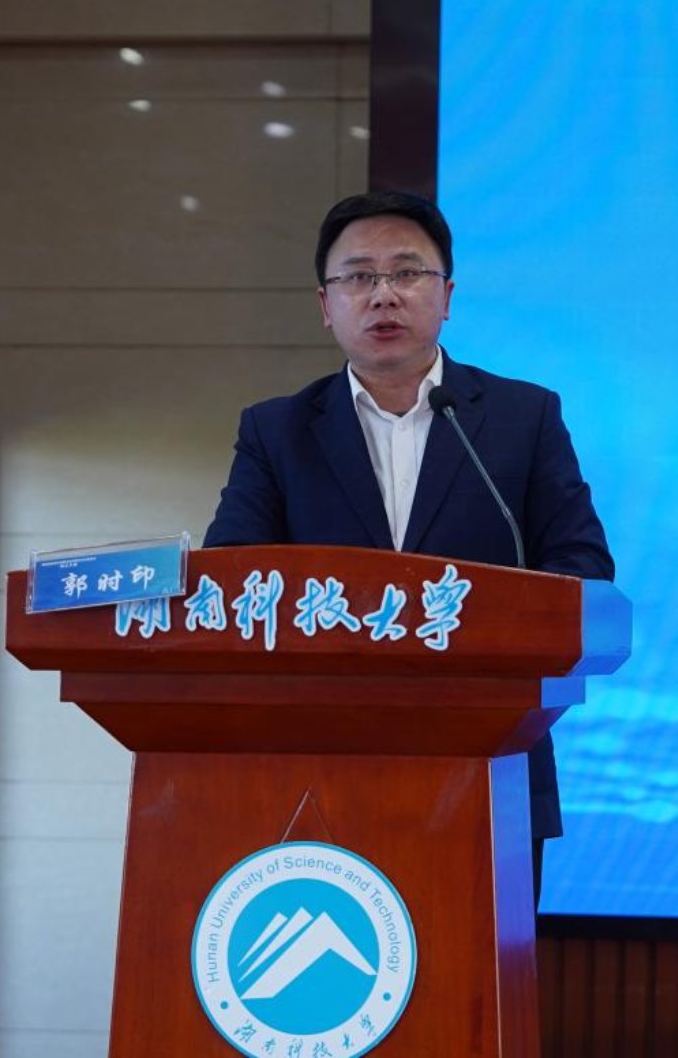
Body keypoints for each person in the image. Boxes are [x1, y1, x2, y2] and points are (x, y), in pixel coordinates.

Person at [204, 190, 614, 894]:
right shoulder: (276, 431)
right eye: (359, 276)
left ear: (447, 295)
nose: (383, 294)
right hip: (316, 770)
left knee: (483, 964)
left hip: (491, 766)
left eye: (406, 272)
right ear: (325, 304)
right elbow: (232, 585)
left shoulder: (523, 417)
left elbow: (582, 567)